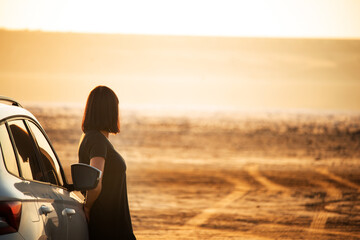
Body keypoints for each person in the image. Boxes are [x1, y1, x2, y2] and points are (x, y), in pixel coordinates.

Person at [78, 86, 136, 240]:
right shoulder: (98, 141)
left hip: (110, 224)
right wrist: (88, 208)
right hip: (109, 225)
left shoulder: (90, 137)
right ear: (110, 111)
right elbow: (95, 181)